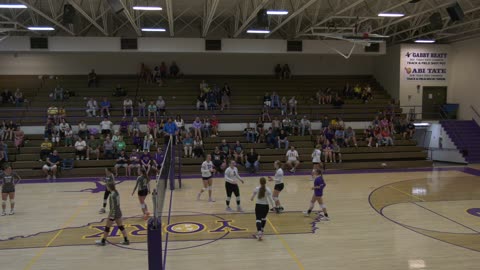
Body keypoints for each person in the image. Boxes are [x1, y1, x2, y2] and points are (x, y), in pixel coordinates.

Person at [95, 181, 130, 246]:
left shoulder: (111, 195)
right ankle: (126, 240)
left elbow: (113, 207)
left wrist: (111, 216)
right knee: (121, 226)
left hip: (113, 213)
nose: (106, 188)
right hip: (118, 211)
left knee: (107, 227)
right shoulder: (116, 192)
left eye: (107, 187)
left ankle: (103, 241)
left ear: (109, 187)